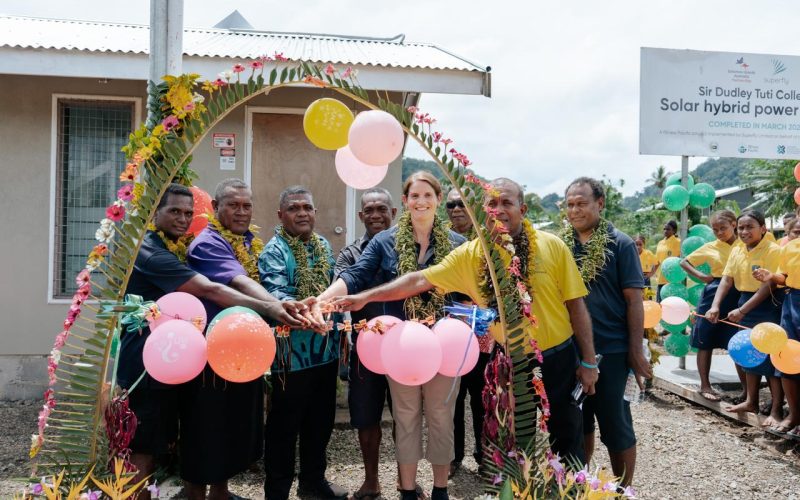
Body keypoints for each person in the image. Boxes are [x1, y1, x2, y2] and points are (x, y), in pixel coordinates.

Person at [326, 177, 598, 475]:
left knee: (567, 438)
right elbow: (418, 280)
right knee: (514, 444)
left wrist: (588, 362)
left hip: (558, 358)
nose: (499, 210)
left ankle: (572, 490)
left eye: (506, 202)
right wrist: (364, 297)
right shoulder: (470, 254)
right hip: (509, 362)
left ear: (522, 209)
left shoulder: (552, 245)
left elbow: (576, 306)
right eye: (492, 203)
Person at [120, 183, 312, 500]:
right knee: (145, 445)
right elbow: (212, 289)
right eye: (174, 212)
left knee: (168, 439)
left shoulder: (176, 247)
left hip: (171, 360)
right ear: (154, 213)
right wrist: (273, 308)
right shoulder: (153, 252)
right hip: (146, 363)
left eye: (187, 213)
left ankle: (213, 492)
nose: (183, 219)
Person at [317, 171, 466, 500]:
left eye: (428, 195)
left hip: (444, 347)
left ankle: (440, 489)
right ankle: (408, 491)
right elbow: (355, 275)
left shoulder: (458, 244)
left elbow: (475, 291)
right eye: (415, 196)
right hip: (403, 349)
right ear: (405, 201)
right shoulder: (386, 241)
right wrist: (322, 299)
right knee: (406, 417)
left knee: (442, 417)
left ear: (438, 199)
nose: (421, 202)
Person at [257, 185, 346, 500]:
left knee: (320, 422)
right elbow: (277, 295)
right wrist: (309, 314)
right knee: (284, 427)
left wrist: (340, 328)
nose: (302, 213)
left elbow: (333, 291)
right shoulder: (274, 251)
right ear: (280, 215)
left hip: (325, 352)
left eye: (307, 207)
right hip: (290, 359)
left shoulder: (323, 246)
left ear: (315, 212)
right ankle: (277, 492)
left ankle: (312, 482)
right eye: (294, 208)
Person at [562, 178, 651, 487]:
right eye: (570, 204)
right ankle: (580, 485)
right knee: (577, 421)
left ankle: (623, 491)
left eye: (581, 203)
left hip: (611, 350)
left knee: (615, 423)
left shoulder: (621, 244)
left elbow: (634, 301)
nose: (575, 210)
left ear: (600, 203)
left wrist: (635, 351)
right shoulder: (562, 245)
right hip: (569, 348)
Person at [332, 188, 396, 500]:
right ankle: (371, 481)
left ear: (393, 213)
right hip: (365, 348)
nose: (375, 215)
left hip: (405, 349)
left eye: (381, 209)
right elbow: (344, 289)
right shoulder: (349, 254)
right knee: (365, 417)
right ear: (360, 216)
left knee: (406, 417)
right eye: (369, 210)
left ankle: (407, 479)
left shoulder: (406, 248)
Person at [706, 210, 785, 427]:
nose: (744, 231)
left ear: (763, 229)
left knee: (770, 357)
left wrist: (743, 311)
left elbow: (769, 285)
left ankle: (776, 409)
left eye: (750, 227)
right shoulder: (737, 249)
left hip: (767, 304)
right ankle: (751, 401)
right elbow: (726, 279)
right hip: (745, 301)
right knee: (749, 353)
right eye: (741, 227)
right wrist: (715, 305)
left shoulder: (773, 250)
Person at [444, 187, 488, 477]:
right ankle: (453, 456)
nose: (457, 209)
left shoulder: (489, 239)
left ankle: (486, 457)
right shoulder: (440, 239)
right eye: (451, 204)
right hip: (449, 334)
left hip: (485, 334)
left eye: (463, 203)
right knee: (452, 400)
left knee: (483, 398)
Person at [679, 210, 745, 402]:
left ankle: (747, 391)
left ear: (734, 224)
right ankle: (705, 385)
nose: (719, 233)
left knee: (737, 342)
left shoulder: (745, 244)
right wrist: (701, 276)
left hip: (739, 293)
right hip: (713, 293)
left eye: (723, 228)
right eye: (715, 229)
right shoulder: (710, 246)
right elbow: (684, 262)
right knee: (705, 340)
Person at [753, 235, 800, 438]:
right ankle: (794, 415)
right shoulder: (791, 247)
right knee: (786, 356)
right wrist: (771, 276)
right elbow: (785, 277)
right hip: (794, 303)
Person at [655, 220, 681, 301]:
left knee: (671, 304)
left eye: (668, 229)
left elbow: (681, 259)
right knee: (660, 304)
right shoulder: (660, 243)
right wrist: (650, 274)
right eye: (664, 229)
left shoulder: (678, 242)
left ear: (674, 231)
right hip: (661, 278)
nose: (665, 231)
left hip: (672, 280)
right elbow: (657, 261)